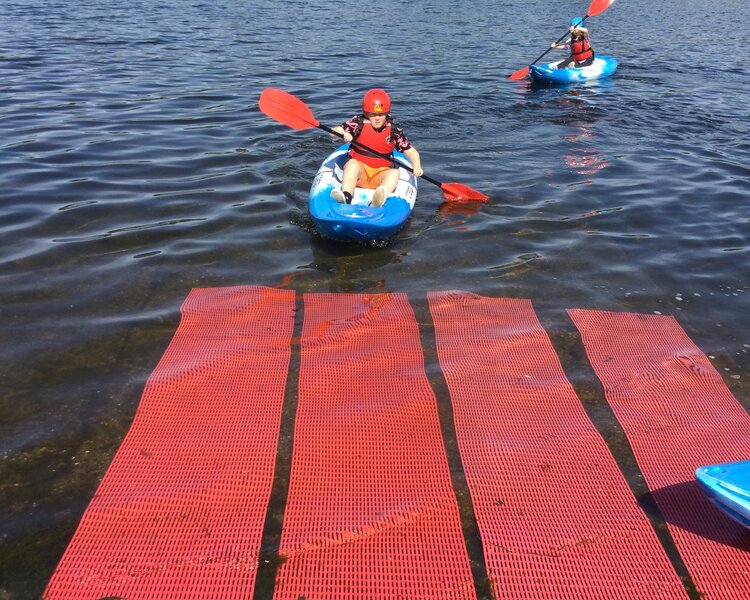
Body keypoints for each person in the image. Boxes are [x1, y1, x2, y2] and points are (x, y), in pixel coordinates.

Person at [330, 88, 422, 207]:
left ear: (387, 113)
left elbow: (410, 151)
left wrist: (416, 166)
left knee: (394, 173)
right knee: (352, 164)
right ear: (366, 113)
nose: (377, 118)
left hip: (380, 175)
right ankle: (346, 196)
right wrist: (341, 134)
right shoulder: (357, 124)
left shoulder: (394, 131)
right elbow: (334, 133)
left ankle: (376, 201)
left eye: (381, 114)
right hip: (360, 173)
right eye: (373, 114)